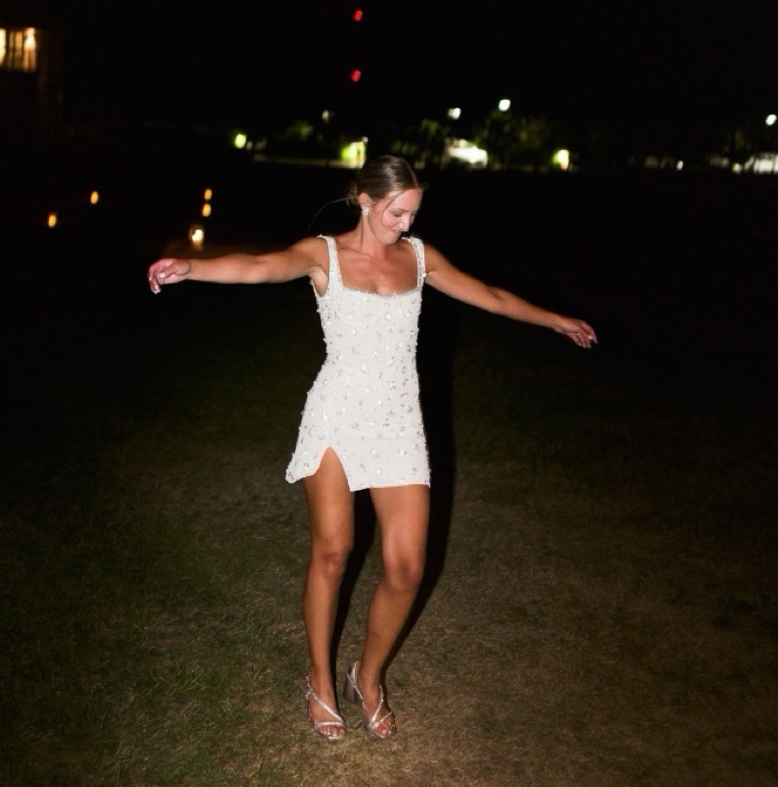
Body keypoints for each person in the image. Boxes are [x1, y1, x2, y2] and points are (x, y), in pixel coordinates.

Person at [147, 155, 596, 742]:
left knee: (407, 567)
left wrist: (554, 319)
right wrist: (191, 267)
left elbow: (488, 294)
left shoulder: (419, 258)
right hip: (337, 414)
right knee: (333, 552)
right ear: (364, 200)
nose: (404, 224)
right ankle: (319, 679)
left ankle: (368, 675)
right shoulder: (323, 254)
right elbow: (258, 266)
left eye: (412, 214)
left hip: (398, 420)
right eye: (396, 212)